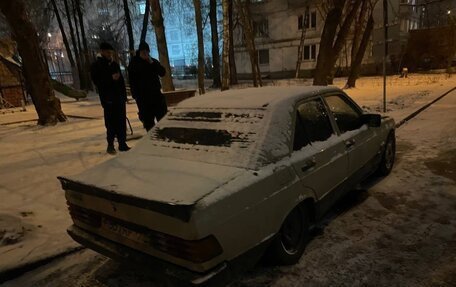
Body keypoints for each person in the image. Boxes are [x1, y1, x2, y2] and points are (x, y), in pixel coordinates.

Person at [90, 42, 130, 155]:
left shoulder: (114, 64)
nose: (109, 54)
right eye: (107, 52)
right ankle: (110, 145)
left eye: (110, 52)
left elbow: (121, 81)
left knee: (121, 121)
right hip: (108, 99)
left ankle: (122, 143)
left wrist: (124, 96)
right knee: (111, 123)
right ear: (102, 51)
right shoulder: (97, 66)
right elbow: (98, 82)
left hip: (119, 98)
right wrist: (110, 78)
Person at [128, 41, 167, 131]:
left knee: (162, 120)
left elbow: (162, 72)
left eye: (147, 51)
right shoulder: (134, 63)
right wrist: (136, 96)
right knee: (149, 123)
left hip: (156, 95)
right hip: (143, 98)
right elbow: (132, 80)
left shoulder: (152, 61)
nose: (145, 53)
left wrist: (152, 63)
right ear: (140, 52)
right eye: (143, 52)